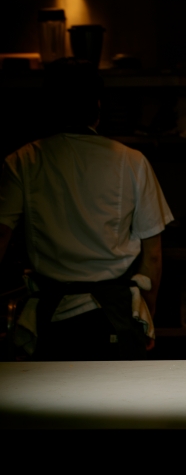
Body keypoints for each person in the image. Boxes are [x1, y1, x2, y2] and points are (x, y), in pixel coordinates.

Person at [0, 58, 173, 361]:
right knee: (117, 405)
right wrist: (149, 313)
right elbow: (153, 253)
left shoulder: (23, 161)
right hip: (114, 315)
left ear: (49, 104)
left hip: (50, 318)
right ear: (97, 105)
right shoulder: (131, 161)